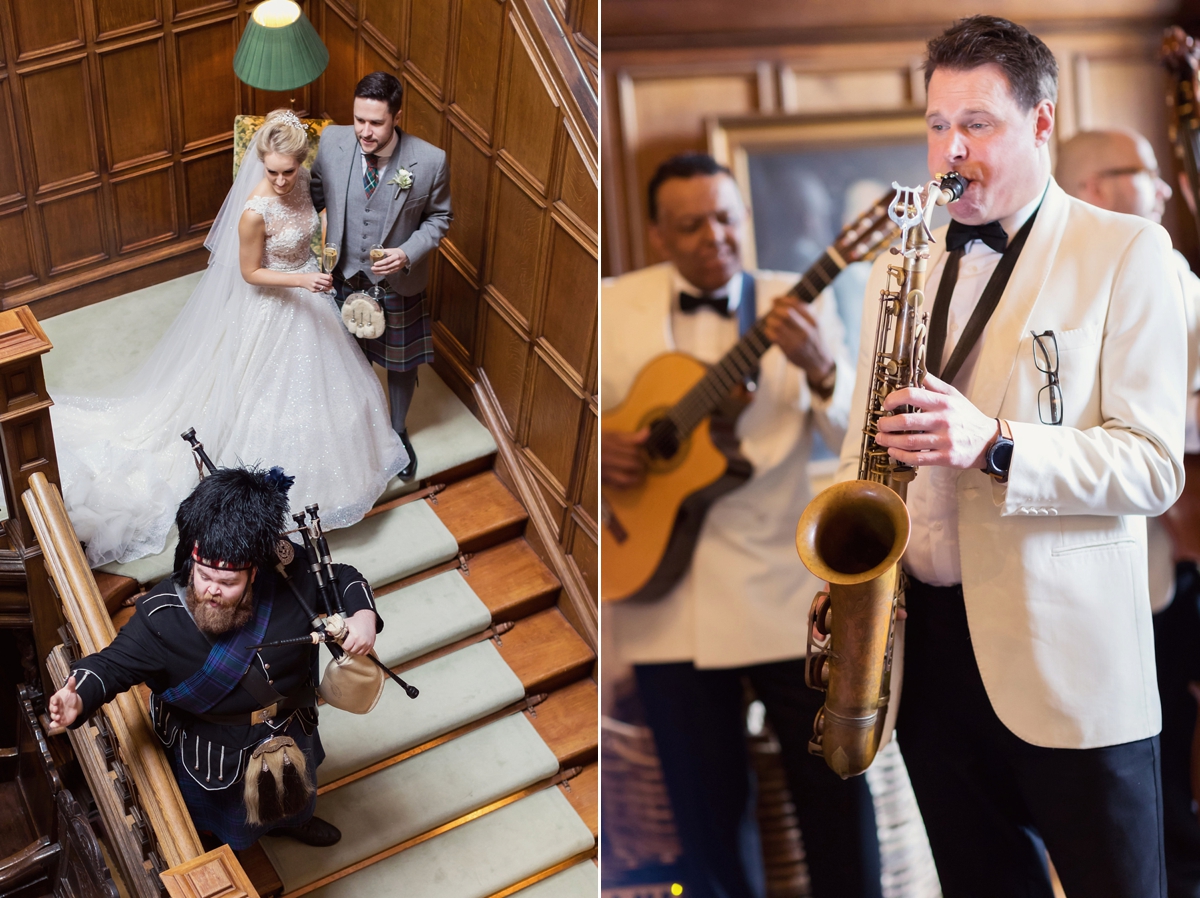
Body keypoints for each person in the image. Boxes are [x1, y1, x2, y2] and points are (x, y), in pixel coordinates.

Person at [843, 16, 1186, 896]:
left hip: (1069, 665)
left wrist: (996, 446)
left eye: (978, 125)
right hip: (927, 656)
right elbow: (865, 443)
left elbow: (1152, 465)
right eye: (935, 125)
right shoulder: (899, 264)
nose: (950, 151)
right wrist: (847, 583)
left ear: (1040, 124)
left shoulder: (1129, 252)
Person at [601, 153, 883, 898]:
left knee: (834, 798)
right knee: (707, 824)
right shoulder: (610, 304)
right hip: (667, 601)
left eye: (726, 218)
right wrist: (598, 445)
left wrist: (825, 368)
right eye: (691, 225)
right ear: (659, 234)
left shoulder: (799, 300)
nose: (714, 237)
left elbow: (861, 435)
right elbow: (554, 416)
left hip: (785, 595)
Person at [51, 109, 407, 568]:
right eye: (272, 171)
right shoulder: (253, 211)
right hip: (274, 305)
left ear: (301, 163)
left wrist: (318, 264)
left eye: (288, 171)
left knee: (335, 392)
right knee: (258, 402)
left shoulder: (301, 184)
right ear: (261, 163)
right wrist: (303, 282)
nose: (280, 181)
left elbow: (312, 223)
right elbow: (250, 273)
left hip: (311, 302)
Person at [47, 465, 381, 849]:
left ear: (254, 573)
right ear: (193, 558)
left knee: (294, 791)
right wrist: (78, 695)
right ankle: (218, 844)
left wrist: (362, 616)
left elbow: (339, 577)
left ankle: (292, 822)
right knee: (220, 815)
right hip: (215, 744)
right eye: (204, 576)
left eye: (228, 582)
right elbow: (110, 665)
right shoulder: (162, 617)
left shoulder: (288, 574)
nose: (212, 590)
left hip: (291, 722)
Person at [1059, 128, 1200, 897]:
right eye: (1145, 173)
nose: (1167, 189)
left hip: (1169, 561)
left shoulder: (1174, 277)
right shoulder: (1064, 283)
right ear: (1094, 189)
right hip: (1104, 566)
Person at [311, 72, 453, 481]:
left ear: (397, 117)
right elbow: (316, 192)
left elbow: (441, 217)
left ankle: (397, 432)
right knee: (339, 359)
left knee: (400, 364)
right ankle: (350, 431)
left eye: (376, 123)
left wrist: (407, 252)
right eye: (359, 119)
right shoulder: (335, 142)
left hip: (396, 283)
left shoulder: (429, 160)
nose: (364, 131)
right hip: (342, 274)